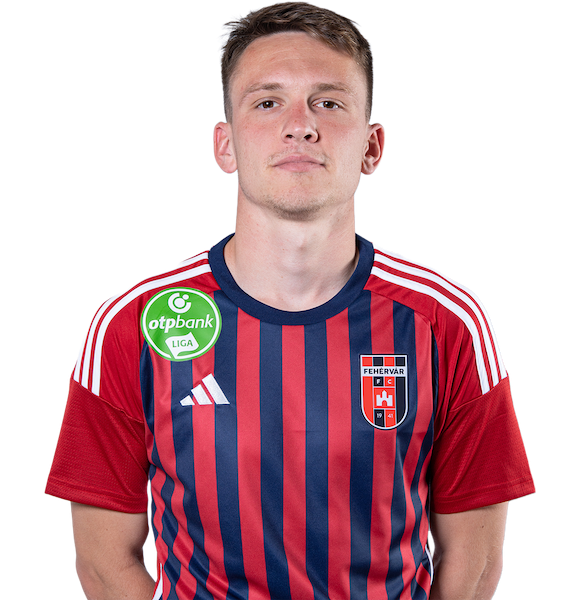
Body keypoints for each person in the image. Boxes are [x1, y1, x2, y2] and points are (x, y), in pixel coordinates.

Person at [43, 3, 536, 599]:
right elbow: (103, 563)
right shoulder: (132, 324)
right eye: (267, 102)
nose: (300, 126)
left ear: (372, 147)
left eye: (328, 103)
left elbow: (473, 565)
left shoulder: (448, 322)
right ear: (224, 145)